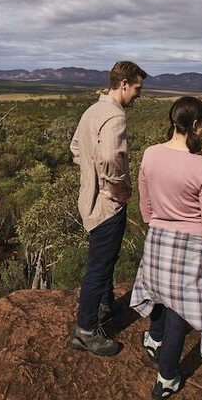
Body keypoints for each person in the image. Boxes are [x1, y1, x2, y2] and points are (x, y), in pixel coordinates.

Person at [130, 96, 202, 398]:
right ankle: (168, 376)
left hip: (159, 235)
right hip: (191, 243)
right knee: (179, 309)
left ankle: (154, 338)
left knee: (159, 292)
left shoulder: (150, 154)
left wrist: (153, 221)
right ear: (197, 125)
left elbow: (144, 198)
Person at [66, 60, 147, 356]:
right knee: (98, 268)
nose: (139, 94)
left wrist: (90, 172)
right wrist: (114, 186)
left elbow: (75, 148)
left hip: (90, 200)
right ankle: (86, 331)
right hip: (106, 205)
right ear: (123, 84)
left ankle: (104, 305)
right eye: (137, 88)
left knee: (105, 260)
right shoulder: (114, 116)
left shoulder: (92, 110)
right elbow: (112, 156)